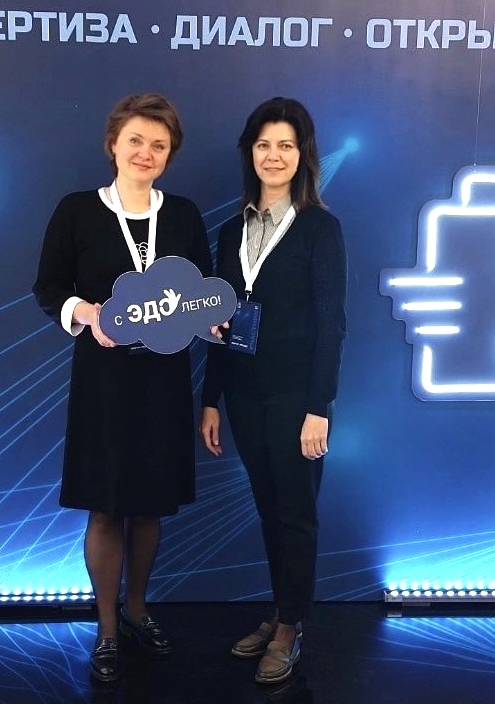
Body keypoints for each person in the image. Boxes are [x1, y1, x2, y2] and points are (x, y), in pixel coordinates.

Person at [33, 93, 212, 683]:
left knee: (151, 504)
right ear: (113, 144)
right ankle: (107, 628)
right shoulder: (78, 210)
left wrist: (210, 318)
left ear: (169, 155)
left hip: (163, 382)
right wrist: (87, 313)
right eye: (135, 140)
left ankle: (138, 611)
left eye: (159, 145)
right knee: (107, 505)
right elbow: (48, 287)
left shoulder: (182, 214)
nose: (145, 152)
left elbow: (202, 291)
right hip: (104, 382)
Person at [200, 97, 347, 684]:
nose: (274, 155)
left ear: (302, 154)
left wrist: (318, 408)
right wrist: (210, 398)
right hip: (242, 393)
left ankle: (291, 626)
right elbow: (218, 319)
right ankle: (282, 610)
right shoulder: (230, 230)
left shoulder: (319, 228)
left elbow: (332, 324)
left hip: (295, 397)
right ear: (251, 153)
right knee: (268, 508)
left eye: (286, 145)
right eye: (264, 145)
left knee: (296, 514)